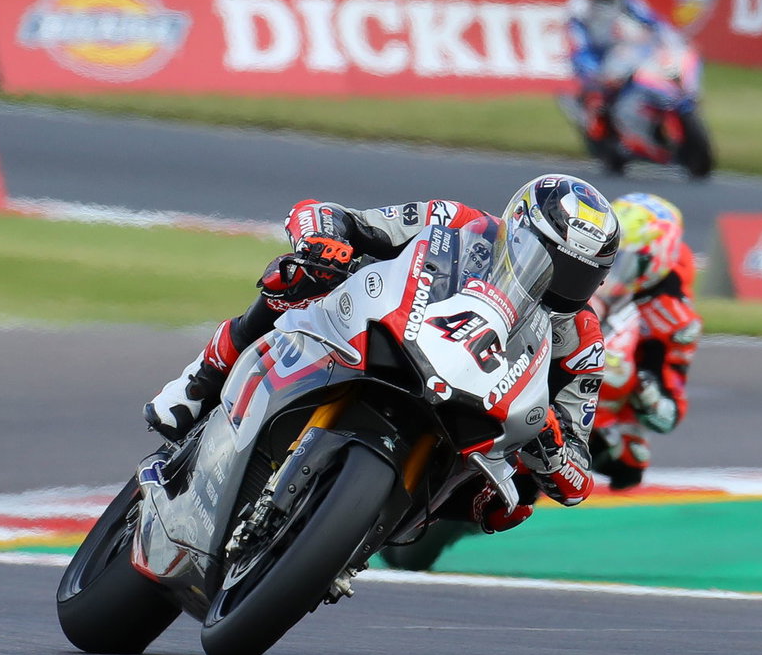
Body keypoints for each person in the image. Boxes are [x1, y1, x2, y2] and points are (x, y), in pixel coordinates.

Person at [144, 174, 621, 534]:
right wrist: (321, 242)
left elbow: (578, 476)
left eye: (577, 276)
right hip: (389, 328)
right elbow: (334, 216)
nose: (556, 282)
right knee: (294, 280)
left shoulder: (582, 341)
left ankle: (361, 532)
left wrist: (554, 447)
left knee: (513, 502)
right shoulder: (457, 221)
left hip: (475, 414)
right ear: (517, 230)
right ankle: (197, 384)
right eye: (550, 261)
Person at [589, 192, 701, 490]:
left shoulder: (673, 317)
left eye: (622, 260)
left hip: (607, 389)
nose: (611, 270)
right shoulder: (579, 259)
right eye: (607, 253)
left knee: (628, 463)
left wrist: (647, 392)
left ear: (655, 259)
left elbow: (669, 412)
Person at [565, 0, 669, 159]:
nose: (607, 4)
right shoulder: (579, 7)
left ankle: (649, 121)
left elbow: (650, 19)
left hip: (619, 52)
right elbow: (578, 45)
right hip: (593, 56)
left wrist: (668, 37)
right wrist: (592, 71)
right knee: (597, 97)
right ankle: (600, 131)